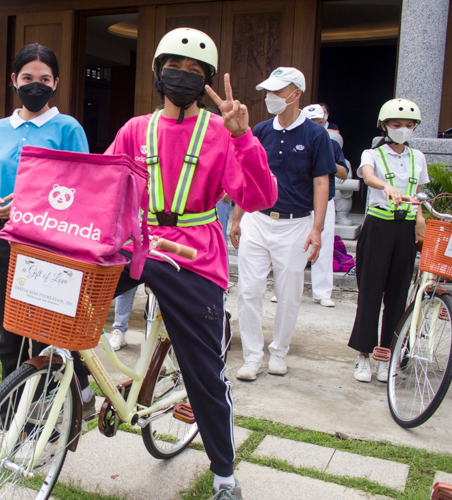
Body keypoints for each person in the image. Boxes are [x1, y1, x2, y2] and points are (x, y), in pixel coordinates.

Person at [106, 28, 277, 499]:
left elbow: (260, 197)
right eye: (174, 69)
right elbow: (104, 184)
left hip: (195, 256)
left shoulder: (222, 132)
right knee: (74, 298)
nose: (182, 77)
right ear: (158, 73)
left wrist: (244, 138)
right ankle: (80, 384)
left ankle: (224, 474)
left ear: (205, 82)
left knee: (204, 370)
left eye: (194, 72)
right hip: (139, 242)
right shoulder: (134, 130)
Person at [0, 43, 95, 415]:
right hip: (6, 236)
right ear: (14, 80)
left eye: (44, 79)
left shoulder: (68, 128)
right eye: (27, 78)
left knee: (47, 328)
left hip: (52, 242)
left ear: (56, 83)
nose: (35, 86)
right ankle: (10, 407)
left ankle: (51, 403)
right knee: (10, 328)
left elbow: (85, 186)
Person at [230, 67, 336, 381]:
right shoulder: (261, 130)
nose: (271, 97)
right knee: (248, 291)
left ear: (296, 94)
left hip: (295, 224)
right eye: (270, 91)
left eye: (279, 91)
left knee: (289, 293)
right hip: (258, 220)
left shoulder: (316, 136)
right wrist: (237, 219)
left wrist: (317, 228)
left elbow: (321, 183)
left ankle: (279, 352)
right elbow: (247, 176)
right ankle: (251, 357)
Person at [348, 98, 428, 383]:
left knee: (398, 293)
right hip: (379, 225)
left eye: (408, 125)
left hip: (405, 228)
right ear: (384, 126)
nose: (402, 130)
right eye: (396, 125)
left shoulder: (418, 157)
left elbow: (417, 194)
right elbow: (368, 177)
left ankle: (387, 354)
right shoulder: (372, 154)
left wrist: (420, 220)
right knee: (370, 291)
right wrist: (387, 187)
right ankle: (363, 357)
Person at [304, 104, 349, 308]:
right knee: (293, 244)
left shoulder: (332, 145)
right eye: (313, 123)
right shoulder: (298, 141)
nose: (318, 127)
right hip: (300, 200)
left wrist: (327, 161)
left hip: (326, 201)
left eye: (321, 123)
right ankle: (284, 289)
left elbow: (344, 173)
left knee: (324, 242)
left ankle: (322, 292)